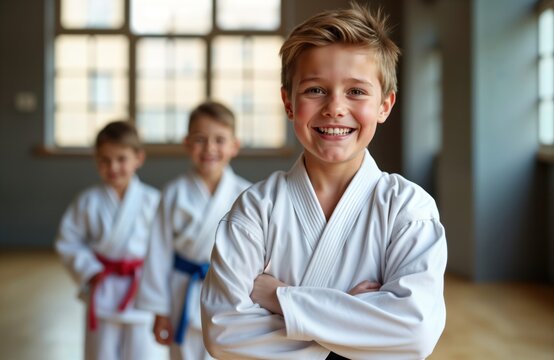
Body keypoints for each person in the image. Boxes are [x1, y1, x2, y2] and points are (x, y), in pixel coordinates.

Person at [200, 3, 447, 360]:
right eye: (315, 90)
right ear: (288, 102)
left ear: (385, 104)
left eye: (357, 92)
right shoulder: (255, 210)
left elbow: (415, 332)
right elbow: (224, 333)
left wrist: (279, 298)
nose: (334, 107)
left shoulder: (408, 208)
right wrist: (354, 318)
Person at [136, 101, 252, 360]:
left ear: (235, 145)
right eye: (200, 140)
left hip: (231, 292)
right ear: (187, 143)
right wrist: (159, 310)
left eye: (219, 140)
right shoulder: (173, 193)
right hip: (183, 289)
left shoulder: (247, 195)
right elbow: (158, 254)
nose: (210, 148)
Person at [55, 121, 162, 360]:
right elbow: (68, 241)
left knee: (143, 353)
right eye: (104, 160)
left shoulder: (153, 200)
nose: (113, 167)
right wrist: (89, 270)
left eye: (121, 159)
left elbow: (163, 249)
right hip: (103, 286)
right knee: (101, 353)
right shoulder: (87, 201)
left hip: (141, 290)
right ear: (96, 160)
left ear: (138, 158)